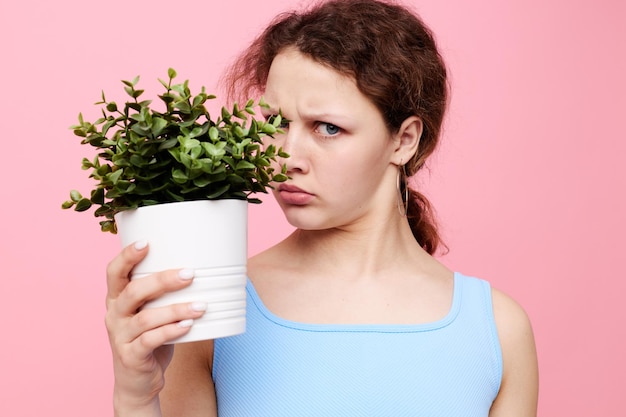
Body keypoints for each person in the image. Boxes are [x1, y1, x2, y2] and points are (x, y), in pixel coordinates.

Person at [105, 0, 539, 415]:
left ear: (404, 140)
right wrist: (136, 398)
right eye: (275, 124)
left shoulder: (498, 331)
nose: (287, 156)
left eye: (328, 128)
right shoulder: (210, 310)